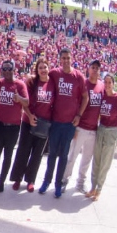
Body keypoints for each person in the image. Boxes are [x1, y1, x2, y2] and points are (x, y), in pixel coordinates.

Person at [39, 48, 88, 198]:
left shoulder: (78, 76)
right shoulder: (55, 73)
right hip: (55, 121)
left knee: (64, 155)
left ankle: (58, 184)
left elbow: (85, 97)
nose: (66, 60)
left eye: (68, 58)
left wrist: (79, 115)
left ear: (71, 58)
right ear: (60, 59)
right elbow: (41, 78)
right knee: (52, 153)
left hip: (69, 123)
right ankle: (46, 181)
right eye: (63, 58)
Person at [0, 60, 32, 192]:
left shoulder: (19, 84)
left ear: (14, 69)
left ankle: (1, 181)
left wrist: (19, 99)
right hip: (0, 124)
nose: (6, 72)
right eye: (4, 69)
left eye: (9, 69)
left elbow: (27, 102)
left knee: (7, 156)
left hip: (13, 127)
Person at [9, 58, 53, 192]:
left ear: (49, 68)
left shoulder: (53, 84)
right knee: (23, 151)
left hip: (44, 124)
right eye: (40, 68)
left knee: (37, 154)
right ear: (37, 70)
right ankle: (17, 178)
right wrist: (29, 115)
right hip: (29, 122)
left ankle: (30, 180)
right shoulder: (31, 82)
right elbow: (25, 102)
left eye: (45, 67)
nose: (43, 70)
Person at [62, 60, 104, 194]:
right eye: (93, 67)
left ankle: (80, 183)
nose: (95, 70)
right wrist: (74, 126)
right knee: (72, 156)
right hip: (80, 127)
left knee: (86, 159)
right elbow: (75, 104)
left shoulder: (102, 86)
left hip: (93, 130)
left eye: (97, 68)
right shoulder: (83, 84)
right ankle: (64, 180)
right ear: (88, 69)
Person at [86, 74, 117, 201]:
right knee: (96, 159)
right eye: (106, 82)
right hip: (101, 128)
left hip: (111, 131)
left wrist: (116, 128)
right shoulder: (102, 96)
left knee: (105, 162)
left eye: (110, 82)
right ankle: (92, 187)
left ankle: (99, 189)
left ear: (113, 84)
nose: (107, 84)